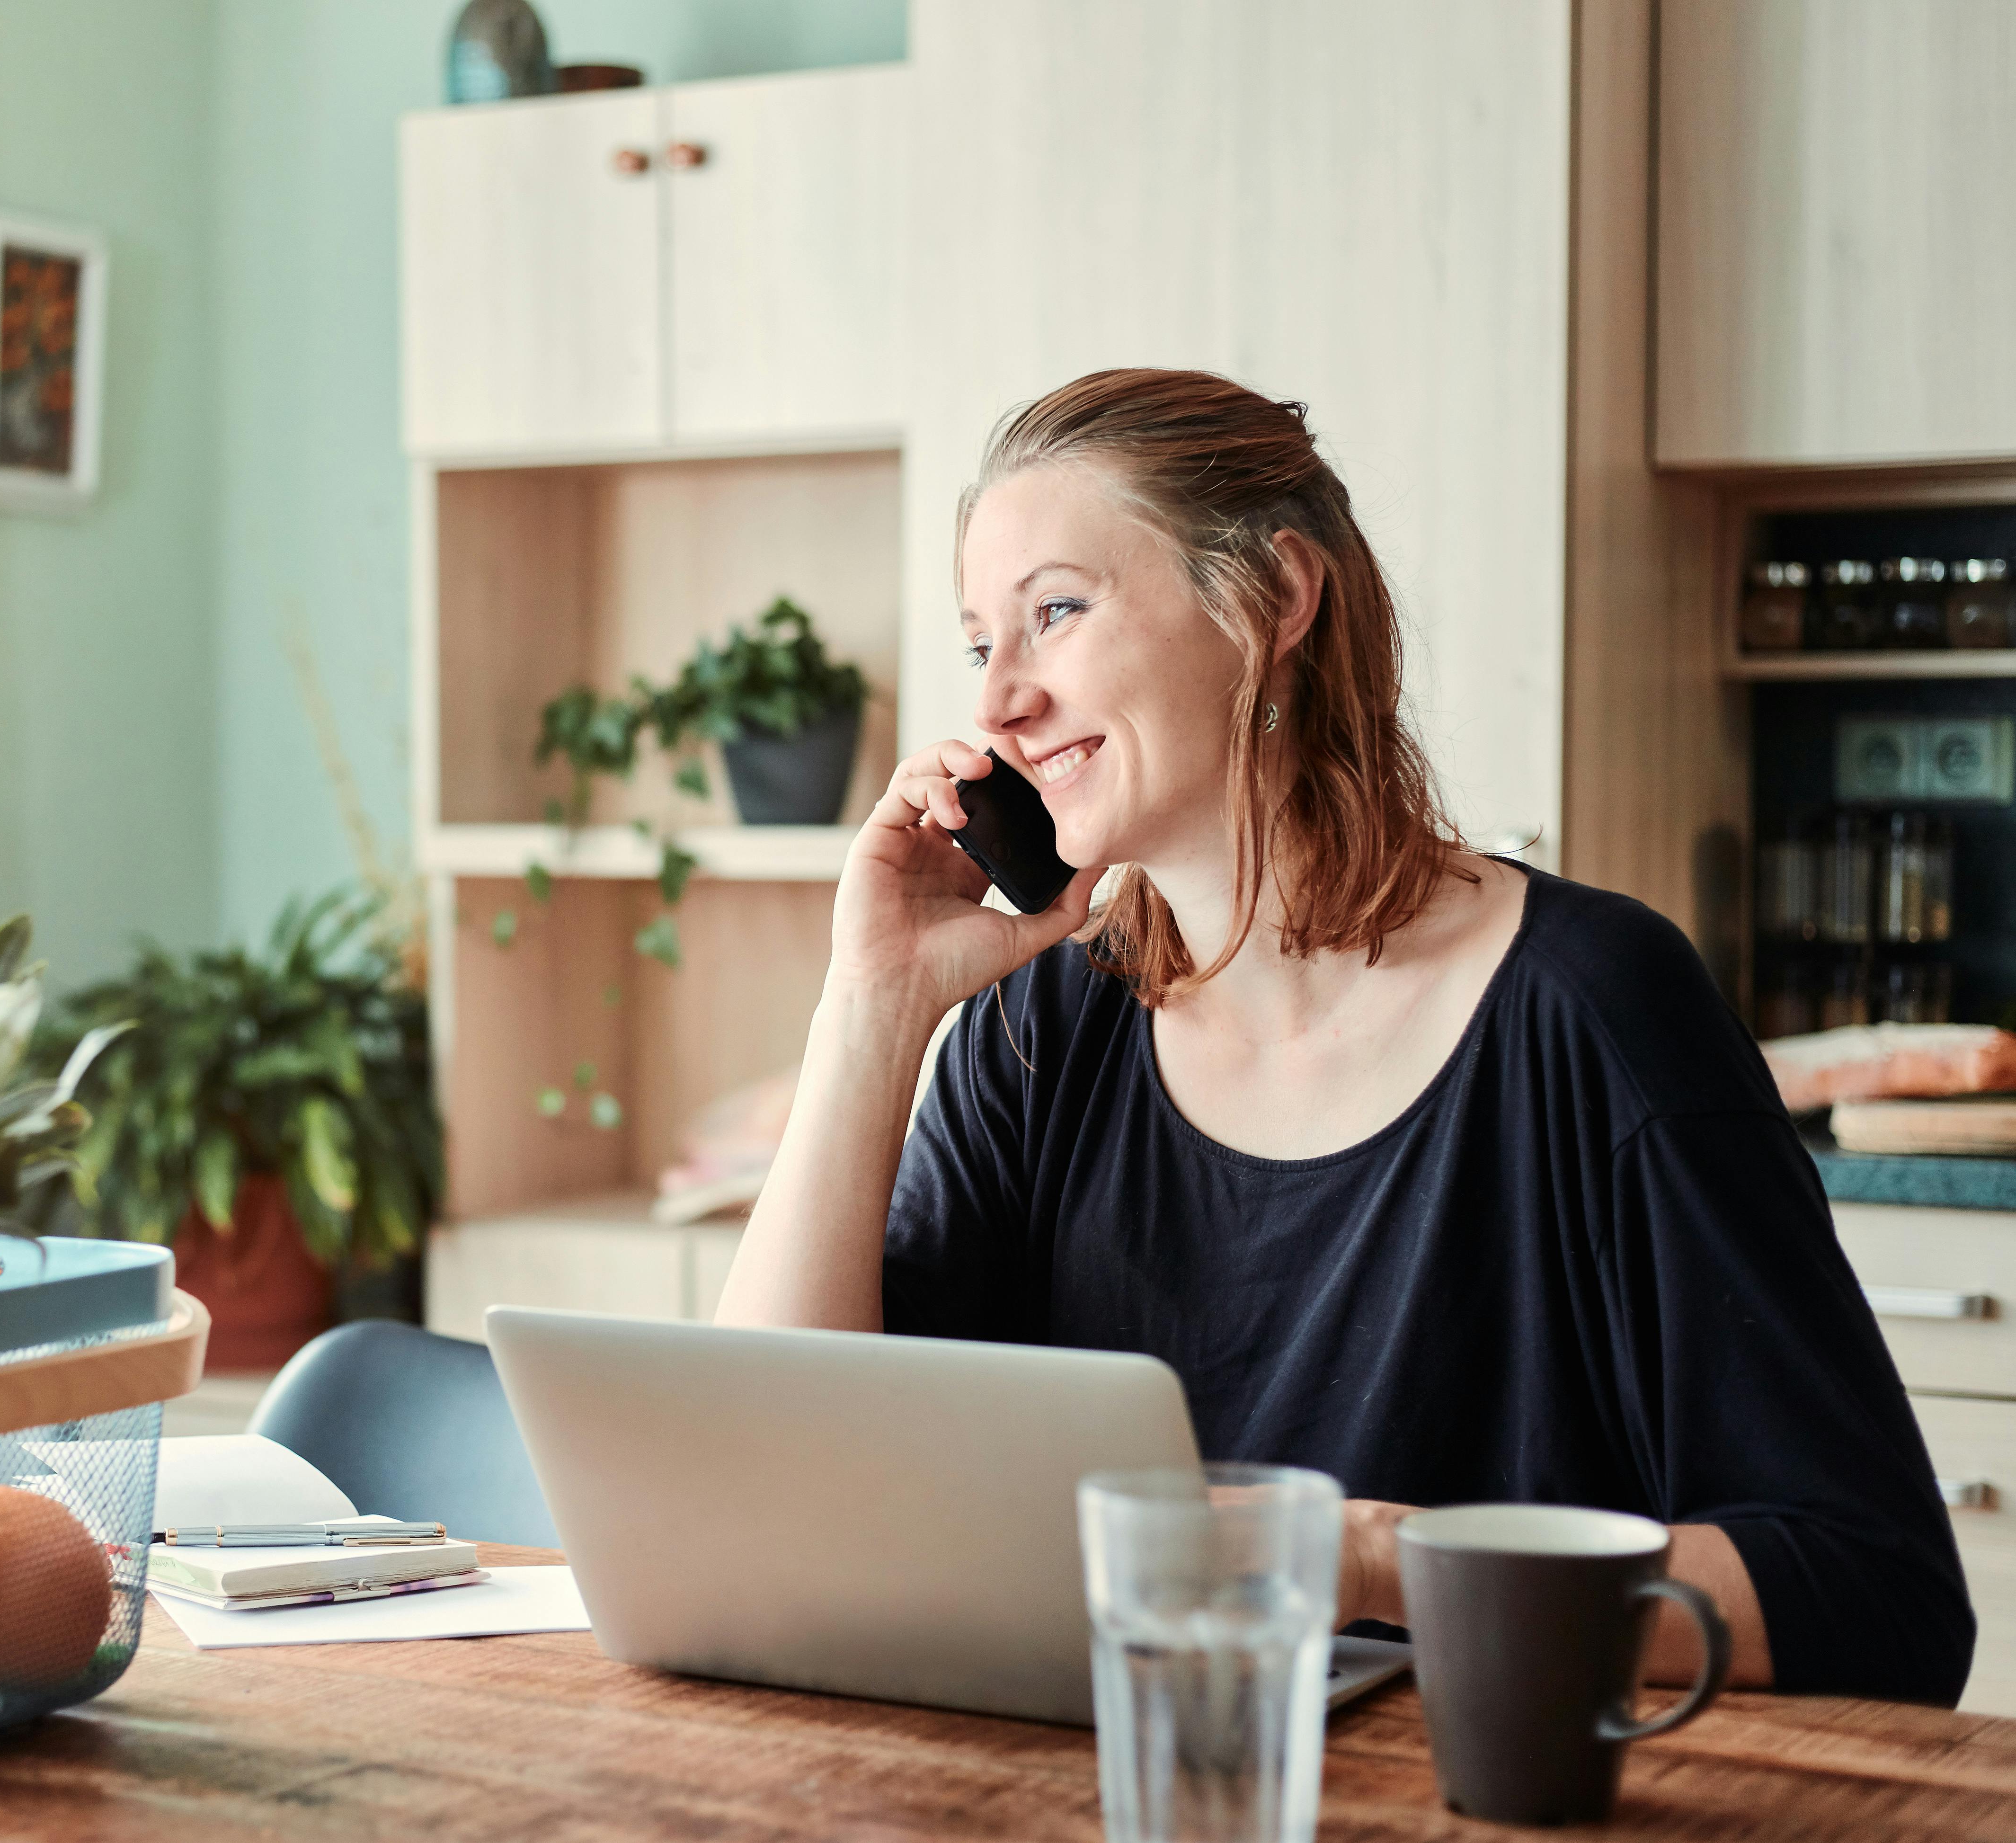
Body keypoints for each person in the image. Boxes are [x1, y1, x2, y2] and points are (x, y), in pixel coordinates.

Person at [716, 368, 1973, 1704]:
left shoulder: (1594, 1007)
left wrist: (1368, 1556)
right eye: (983, 646)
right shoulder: (1038, 1032)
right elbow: (768, 1495)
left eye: (1058, 614)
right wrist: (872, 1006)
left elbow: (1872, 1597)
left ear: (1271, 599)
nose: (1001, 705)